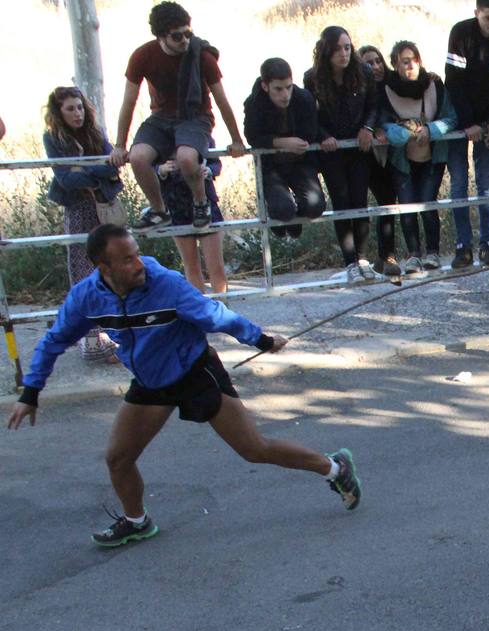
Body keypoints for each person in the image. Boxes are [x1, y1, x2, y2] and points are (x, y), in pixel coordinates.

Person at [7, 224, 362, 547]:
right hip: (150, 383)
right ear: (105, 267)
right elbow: (54, 340)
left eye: (136, 253)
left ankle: (333, 467)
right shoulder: (87, 297)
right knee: (118, 458)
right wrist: (31, 392)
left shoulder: (166, 284)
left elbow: (215, 316)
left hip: (194, 373)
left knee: (254, 449)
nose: (138, 264)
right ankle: (137, 521)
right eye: (128, 259)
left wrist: (262, 340)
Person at [111, 2, 246, 231]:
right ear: (161, 37)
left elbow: (222, 100)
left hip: (195, 115)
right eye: (177, 36)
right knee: (138, 157)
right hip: (161, 118)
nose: (185, 40)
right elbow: (129, 101)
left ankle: (201, 203)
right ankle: (159, 211)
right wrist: (120, 145)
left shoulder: (201, 55)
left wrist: (237, 140)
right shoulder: (142, 56)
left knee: (186, 158)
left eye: (188, 33)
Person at [43, 86, 124, 363]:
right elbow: (66, 180)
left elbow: (112, 166)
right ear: (59, 112)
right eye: (70, 109)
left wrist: (84, 169)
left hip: (103, 207)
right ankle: (91, 343)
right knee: (83, 271)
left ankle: (116, 337)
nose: (77, 113)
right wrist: (96, 170)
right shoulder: (53, 138)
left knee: (112, 268)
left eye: (79, 107)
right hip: (78, 208)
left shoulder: (95, 133)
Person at [444, 0, 489, 269]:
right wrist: (468, 123)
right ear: (477, 14)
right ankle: (463, 245)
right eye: (488, 18)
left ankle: (488, 242)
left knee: (487, 183)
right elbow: (453, 81)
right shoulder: (461, 33)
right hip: (459, 118)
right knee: (459, 183)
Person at [305, 26, 379, 283]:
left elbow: (373, 106)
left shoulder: (364, 72)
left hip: (358, 148)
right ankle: (349, 263)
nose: (344, 54)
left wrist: (367, 128)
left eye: (347, 47)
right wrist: (323, 135)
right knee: (341, 202)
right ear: (326, 51)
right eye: (337, 49)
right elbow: (310, 115)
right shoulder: (313, 78)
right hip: (331, 151)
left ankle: (362, 259)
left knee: (360, 202)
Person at [379, 40, 457, 276]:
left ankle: (433, 252)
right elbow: (382, 123)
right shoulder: (386, 90)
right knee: (407, 205)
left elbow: (451, 118)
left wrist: (430, 130)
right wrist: (401, 133)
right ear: (395, 65)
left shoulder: (434, 86)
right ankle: (414, 254)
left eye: (414, 60)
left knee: (427, 202)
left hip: (432, 157)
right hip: (402, 159)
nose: (410, 65)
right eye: (404, 61)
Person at [242, 58, 326, 239]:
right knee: (282, 209)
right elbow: (252, 136)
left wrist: (297, 143)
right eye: (278, 89)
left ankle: (293, 218)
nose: (285, 94)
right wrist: (280, 142)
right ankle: (282, 215)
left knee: (316, 206)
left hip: (301, 162)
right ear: (265, 86)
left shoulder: (303, 98)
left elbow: (311, 132)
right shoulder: (254, 103)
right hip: (271, 166)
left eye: (289, 87)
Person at [358, 45, 401, 277]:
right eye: (368, 63)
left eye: (377, 61)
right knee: (360, 203)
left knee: (387, 200)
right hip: (364, 151)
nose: (375, 67)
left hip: (388, 152)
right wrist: (372, 129)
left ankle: (387, 255)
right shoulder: (358, 87)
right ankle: (360, 259)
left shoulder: (392, 83)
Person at [159, 155, 228, 294]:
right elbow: (148, 165)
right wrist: (161, 170)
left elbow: (216, 163)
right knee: (191, 266)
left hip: (207, 207)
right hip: (177, 208)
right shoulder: (161, 138)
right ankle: (199, 310)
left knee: (216, 266)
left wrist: (209, 170)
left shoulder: (199, 134)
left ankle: (223, 309)